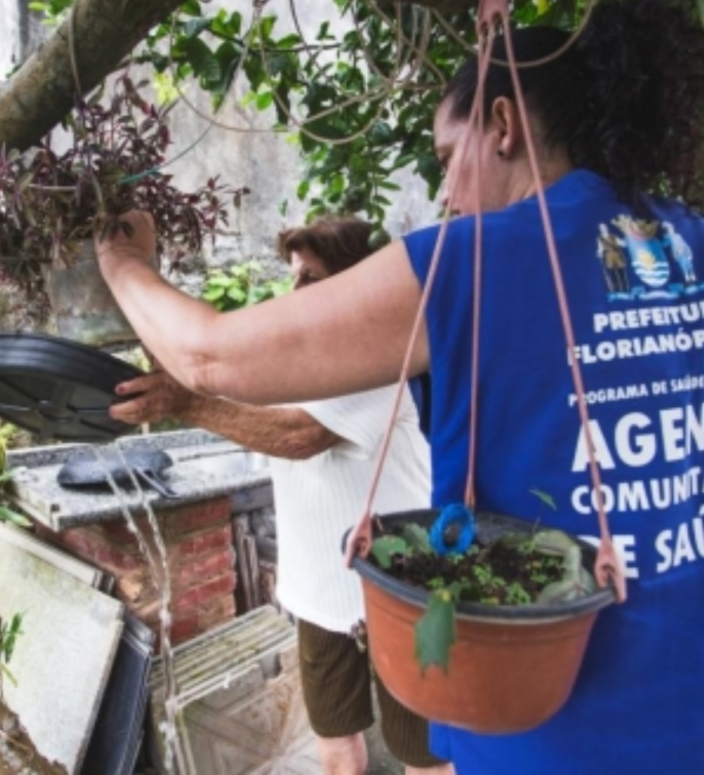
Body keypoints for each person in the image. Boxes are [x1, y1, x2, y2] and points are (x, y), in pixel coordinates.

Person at [95, 0, 704, 772]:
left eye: (445, 157)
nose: (448, 196)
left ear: (501, 126)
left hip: (560, 738)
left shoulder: (471, 260)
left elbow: (208, 355)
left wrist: (123, 262)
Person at [108, 218, 452, 775]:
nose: (295, 297)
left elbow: (299, 435)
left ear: (354, 285)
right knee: (336, 747)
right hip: (320, 594)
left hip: (399, 594)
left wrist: (189, 404)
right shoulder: (307, 364)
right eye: (293, 278)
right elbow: (224, 375)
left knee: (425, 760)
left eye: (311, 280)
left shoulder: (381, 360)